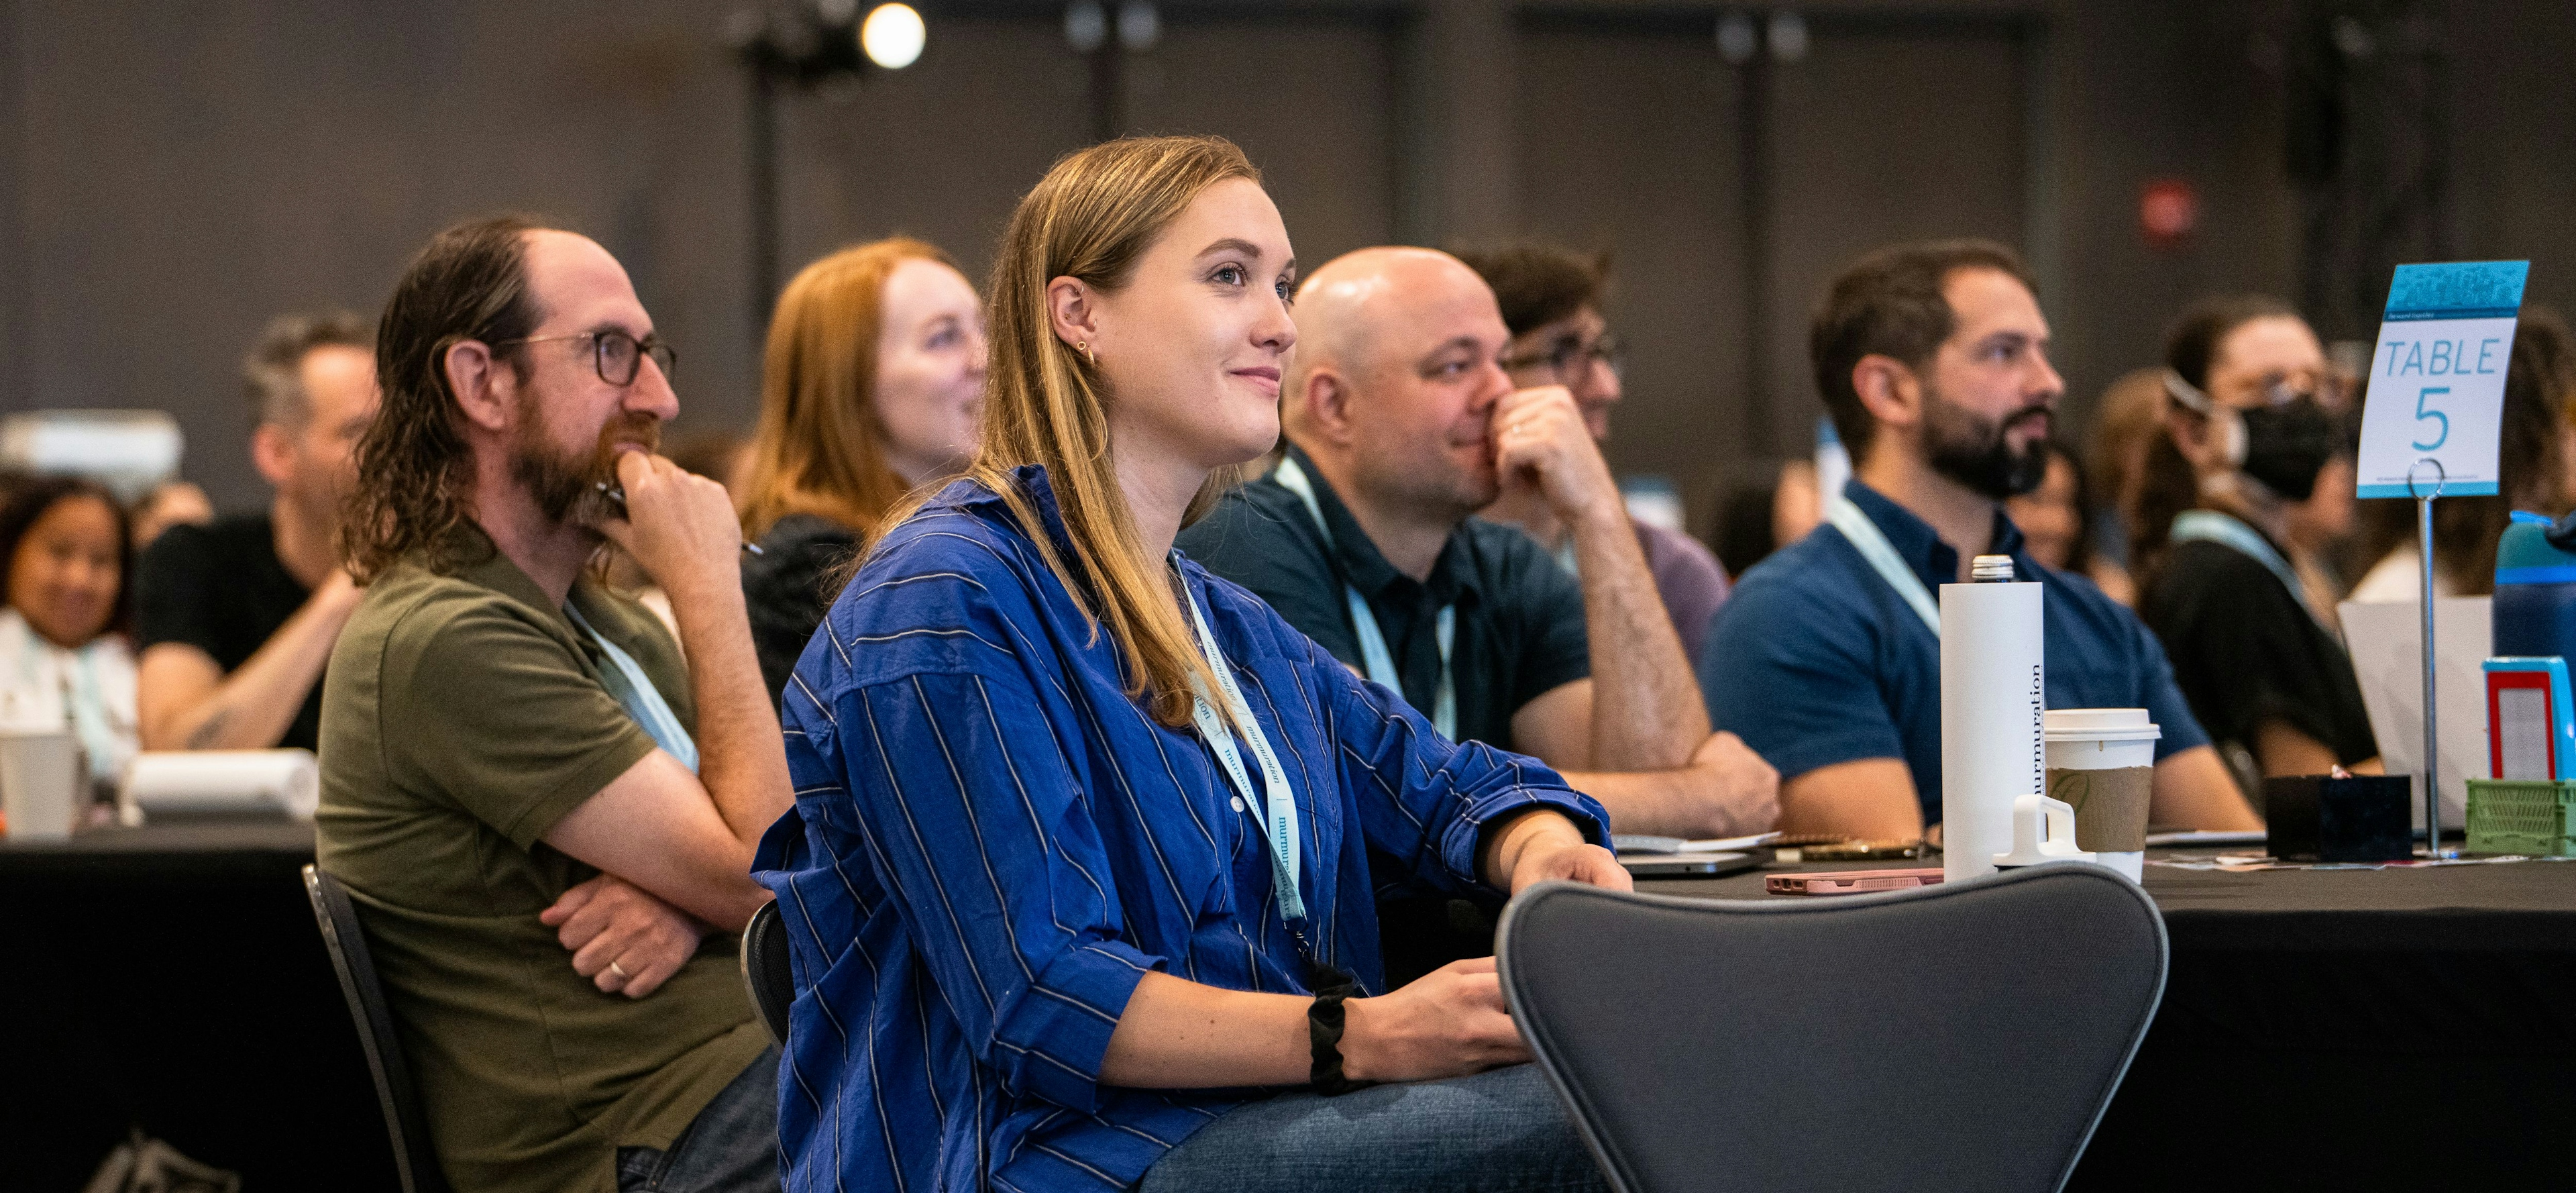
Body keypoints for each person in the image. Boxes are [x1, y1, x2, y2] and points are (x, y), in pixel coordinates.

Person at [754, 135, 1626, 1193]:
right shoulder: (945, 598)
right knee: (1605, 1116)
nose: (1280, 323)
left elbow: (1444, 783)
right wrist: (1366, 1033)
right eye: (1229, 277)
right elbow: (1048, 993)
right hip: (1043, 1158)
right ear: (1080, 316)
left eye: (1284, 285)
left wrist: (1536, 845)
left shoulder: (1214, 614)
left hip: (1228, 1121)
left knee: (1645, 1074)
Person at [317, 216, 790, 1193]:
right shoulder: (444, 637)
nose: (658, 396)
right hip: (640, 1142)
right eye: (611, 353)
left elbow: (788, 862)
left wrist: (692, 903)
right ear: (481, 382)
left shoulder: (606, 624)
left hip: (742, 1082)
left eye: (654, 355)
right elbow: (771, 876)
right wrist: (707, 585)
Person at [1181, 246, 1776, 841]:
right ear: (1335, 406)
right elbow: (1364, 797)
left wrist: (1596, 513)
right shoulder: (1245, 544)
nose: (1503, 394)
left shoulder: (1506, 565)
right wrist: (1692, 801)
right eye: (1454, 367)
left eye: (1505, 361)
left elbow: (1654, 798)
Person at [1699, 240, 2257, 839]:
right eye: (2003, 353)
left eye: (2042, 352)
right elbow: (1891, 900)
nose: (2049, 383)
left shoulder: (2095, 621)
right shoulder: (1790, 616)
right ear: (1891, 391)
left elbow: (2235, 857)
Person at [2134, 295, 2379, 778]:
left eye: (2316, 383)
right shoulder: (2227, 579)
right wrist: (2440, 766)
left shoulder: (2259, 564)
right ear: (2194, 432)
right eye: (2272, 386)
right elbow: (2308, 791)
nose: (2304, 407)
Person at [735, 238, 986, 700]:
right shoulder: (807, 564)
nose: (986, 360)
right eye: (944, 337)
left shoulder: (977, 531)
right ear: (851, 385)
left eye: (984, 330)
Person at [1452, 244, 1731, 657]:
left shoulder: (1673, 574)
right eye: (1562, 356)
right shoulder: (1416, 562)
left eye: (1603, 353)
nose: (1606, 388)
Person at [134, 313, 377, 753]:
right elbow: (176, 752)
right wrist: (340, 597)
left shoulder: (437, 572)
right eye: (358, 432)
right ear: (278, 454)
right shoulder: (194, 560)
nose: (389, 454)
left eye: (397, 430)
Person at [2350, 309, 2576, 600]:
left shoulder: (2540, 570)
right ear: (2522, 439)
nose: (2571, 436)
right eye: (2569, 415)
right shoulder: (2404, 592)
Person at [0, 476, 138, 799]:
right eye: (60, 553)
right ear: (11, 552)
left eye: (101, 560)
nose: (80, 579)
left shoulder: (146, 670)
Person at [2006, 441, 2135, 605]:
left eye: (2067, 502)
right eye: (2036, 501)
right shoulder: (1975, 589)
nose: (2055, 523)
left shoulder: (2108, 593)